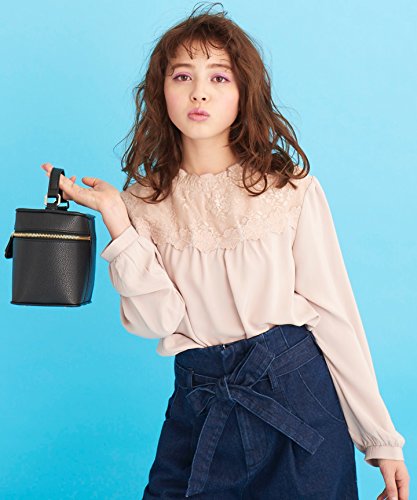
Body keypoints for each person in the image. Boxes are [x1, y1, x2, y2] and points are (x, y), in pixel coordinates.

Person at [40, 3, 410, 499]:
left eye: (219, 77)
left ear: (243, 93)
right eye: (182, 75)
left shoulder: (287, 188)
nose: (199, 92)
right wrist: (117, 220)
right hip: (200, 406)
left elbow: (335, 315)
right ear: (161, 91)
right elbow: (157, 320)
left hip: (297, 407)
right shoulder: (142, 203)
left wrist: (381, 440)